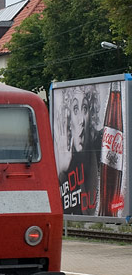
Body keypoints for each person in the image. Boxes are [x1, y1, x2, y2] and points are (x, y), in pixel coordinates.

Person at [55, 85, 102, 215]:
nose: (81, 120)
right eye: (75, 109)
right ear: (68, 120)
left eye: (85, 108)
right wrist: (63, 171)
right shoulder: (63, 160)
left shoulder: (101, 149)